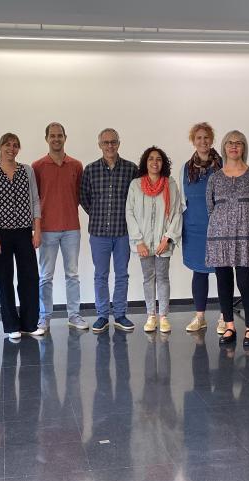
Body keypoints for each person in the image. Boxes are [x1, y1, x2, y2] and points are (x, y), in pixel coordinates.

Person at [0, 133, 43, 340]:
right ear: (0, 147)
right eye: (8, 145)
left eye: (16, 145)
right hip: (1, 233)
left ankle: (29, 323)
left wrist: (37, 230)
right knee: (5, 279)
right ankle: (11, 326)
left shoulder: (27, 171)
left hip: (25, 232)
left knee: (29, 278)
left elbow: (35, 200)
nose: (12, 149)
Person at [205, 130, 249, 347]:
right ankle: (229, 325)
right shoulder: (215, 178)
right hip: (219, 238)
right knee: (223, 283)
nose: (234, 146)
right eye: (230, 143)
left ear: (244, 147)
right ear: (224, 147)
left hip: (246, 238)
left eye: (239, 143)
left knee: (245, 283)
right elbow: (210, 208)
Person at [80, 128, 138, 334]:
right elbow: (84, 198)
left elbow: (136, 199)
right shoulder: (91, 170)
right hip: (98, 233)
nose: (110, 146)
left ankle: (120, 314)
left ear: (119, 144)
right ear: (100, 145)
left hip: (123, 232)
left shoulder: (131, 169)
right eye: (106, 142)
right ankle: (103, 315)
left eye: (113, 142)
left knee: (122, 274)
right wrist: (96, 214)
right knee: (100, 275)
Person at [32, 122, 89, 331]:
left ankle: (74, 315)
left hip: (71, 228)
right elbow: (34, 200)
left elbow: (82, 196)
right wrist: (35, 228)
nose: (56, 139)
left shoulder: (76, 165)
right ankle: (44, 317)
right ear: (46, 138)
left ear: (66, 137)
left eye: (60, 135)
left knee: (72, 274)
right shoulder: (37, 166)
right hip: (46, 229)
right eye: (52, 136)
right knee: (45, 276)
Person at [126, 146, 183, 333]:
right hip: (142, 244)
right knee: (148, 278)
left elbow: (176, 213)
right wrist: (138, 240)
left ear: (163, 163)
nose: (155, 162)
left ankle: (164, 316)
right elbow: (130, 213)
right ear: (145, 162)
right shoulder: (136, 184)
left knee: (163, 278)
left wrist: (167, 238)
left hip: (162, 243)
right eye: (151, 159)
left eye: (158, 159)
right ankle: (151, 315)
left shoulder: (170, 184)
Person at [180, 122, 225, 334]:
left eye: (206, 137)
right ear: (193, 141)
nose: (203, 141)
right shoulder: (185, 168)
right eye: (198, 138)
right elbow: (181, 201)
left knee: (223, 273)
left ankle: (225, 317)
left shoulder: (223, 165)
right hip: (194, 228)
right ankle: (200, 317)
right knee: (199, 273)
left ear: (212, 139)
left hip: (219, 229)